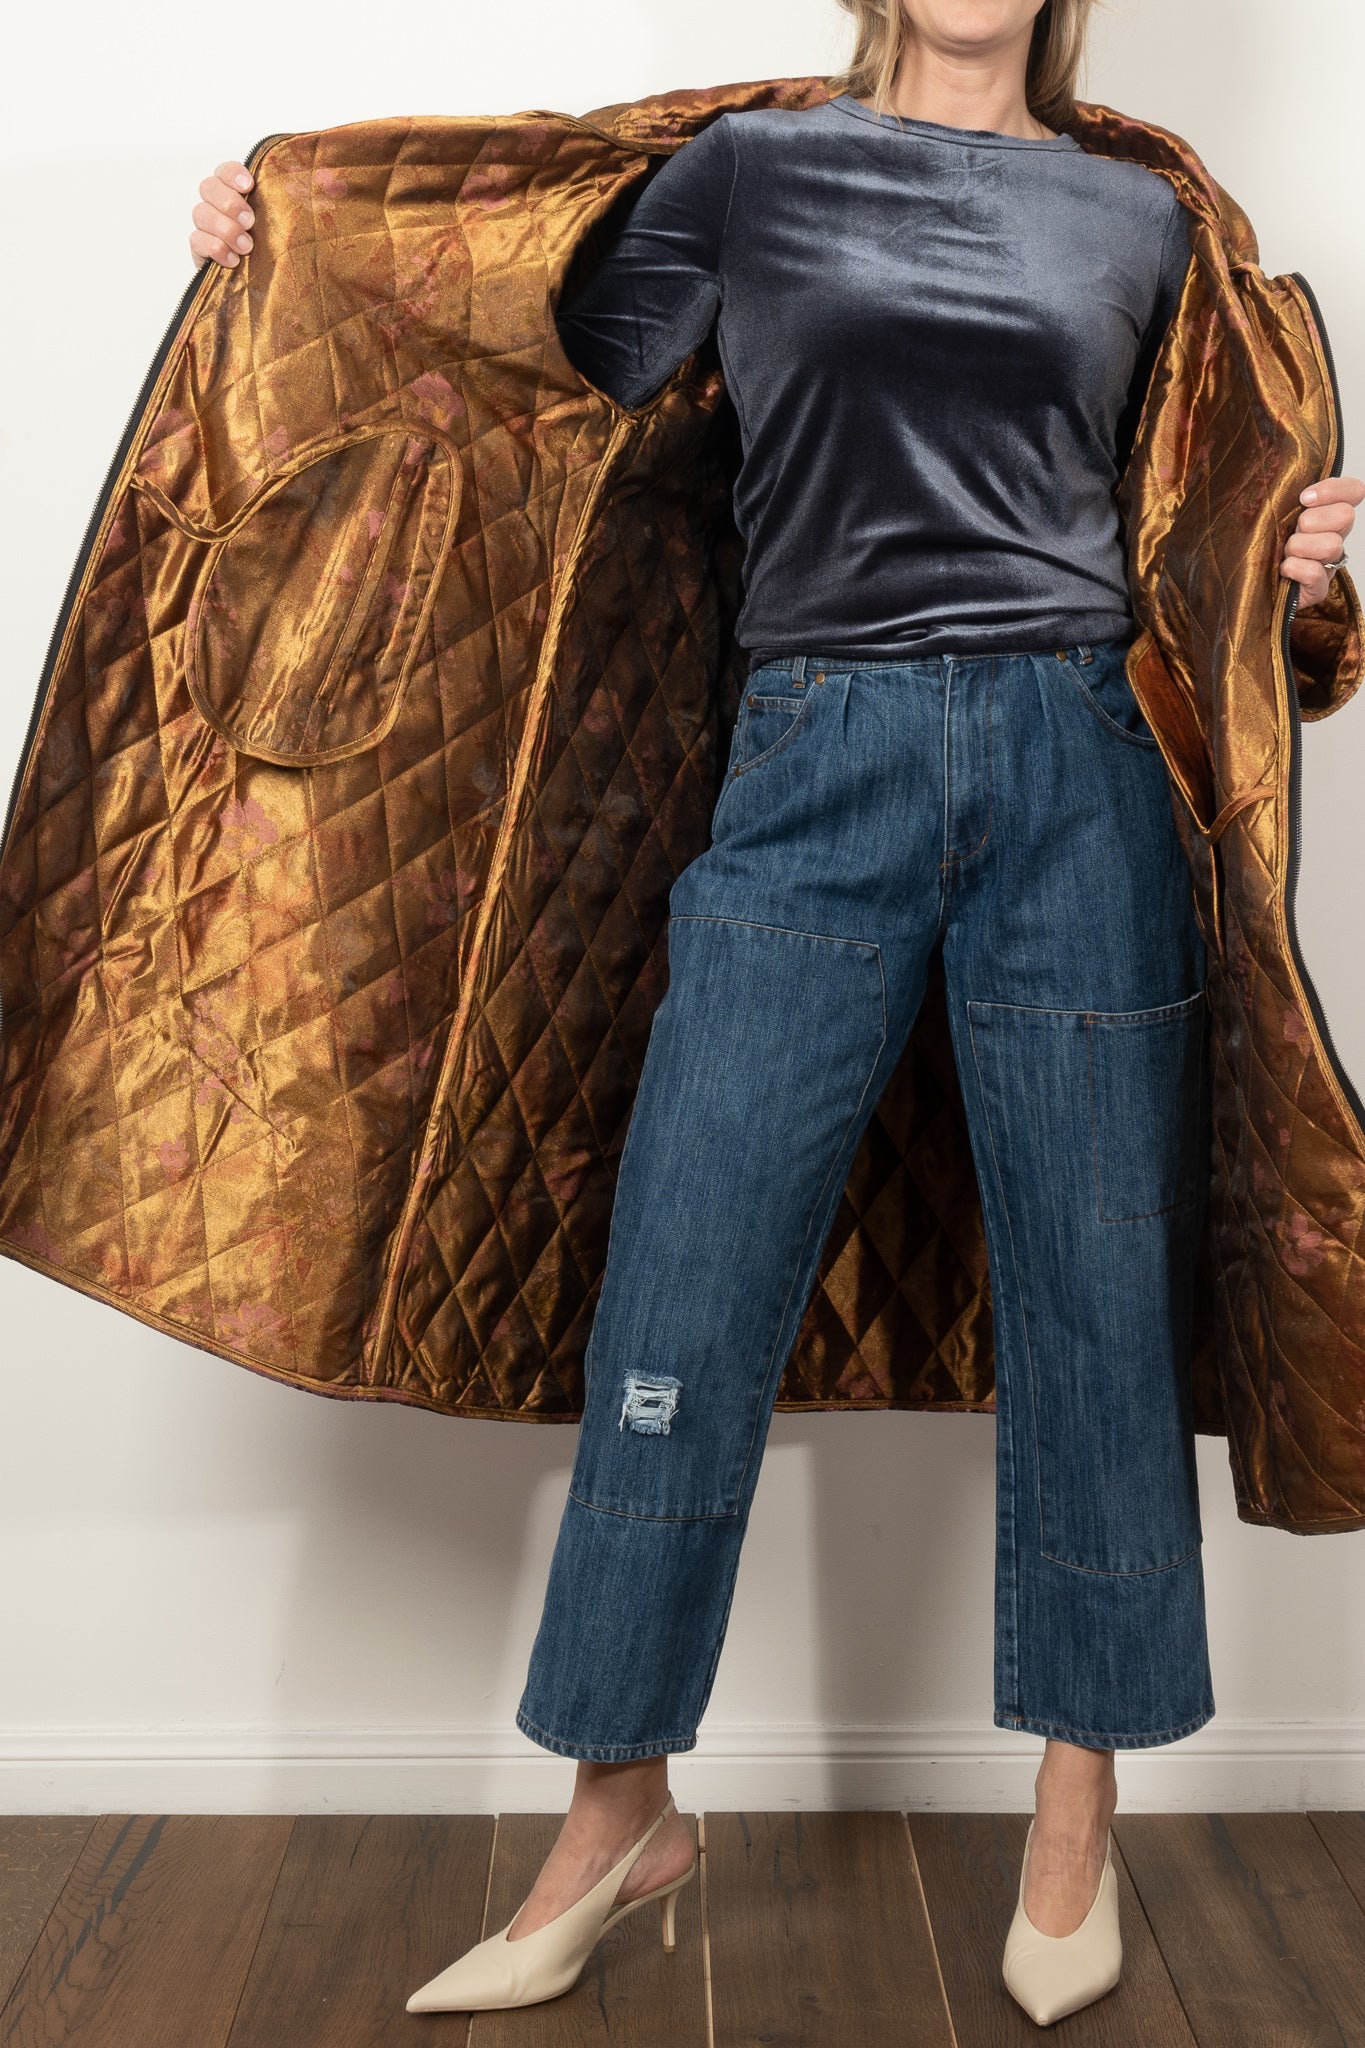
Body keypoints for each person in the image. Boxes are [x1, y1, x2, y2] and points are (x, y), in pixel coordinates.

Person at [190, 0, 1360, 2027]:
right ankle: (616, 1805)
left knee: (1095, 1294)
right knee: (684, 1280)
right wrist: (290, 235)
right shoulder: (750, 173)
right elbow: (517, 361)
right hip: (813, 752)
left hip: (1078, 772)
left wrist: (1305, 576)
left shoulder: (1147, 223)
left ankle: (1072, 1818)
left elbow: (1202, 547)